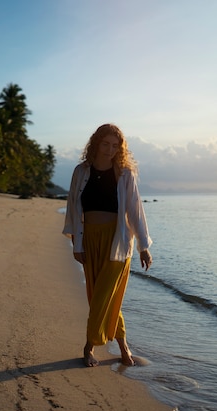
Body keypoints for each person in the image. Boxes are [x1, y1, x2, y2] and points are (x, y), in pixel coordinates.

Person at [63, 123, 152, 367]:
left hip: (118, 243)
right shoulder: (81, 172)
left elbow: (135, 211)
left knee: (105, 295)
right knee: (99, 296)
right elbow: (73, 208)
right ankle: (124, 346)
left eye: (116, 146)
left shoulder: (124, 174)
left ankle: (89, 346)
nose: (110, 150)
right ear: (96, 143)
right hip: (90, 239)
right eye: (106, 144)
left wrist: (144, 246)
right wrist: (76, 244)